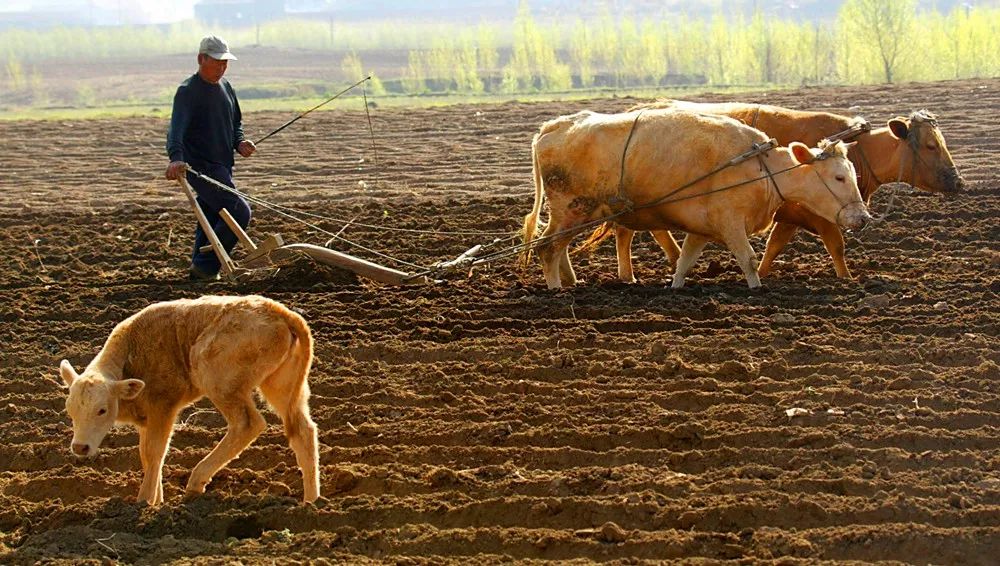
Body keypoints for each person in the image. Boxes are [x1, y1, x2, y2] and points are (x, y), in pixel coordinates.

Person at [166, 35, 256, 281]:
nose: (221, 67)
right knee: (239, 212)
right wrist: (176, 158)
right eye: (216, 62)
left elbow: (235, 123)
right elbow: (176, 131)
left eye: (225, 62)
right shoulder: (187, 92)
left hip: (224, 164)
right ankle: (207, 266)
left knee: (210, 214)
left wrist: (240, 143)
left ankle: (199, 268)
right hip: (201, 168)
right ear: (201, 59)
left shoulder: (227, 87)